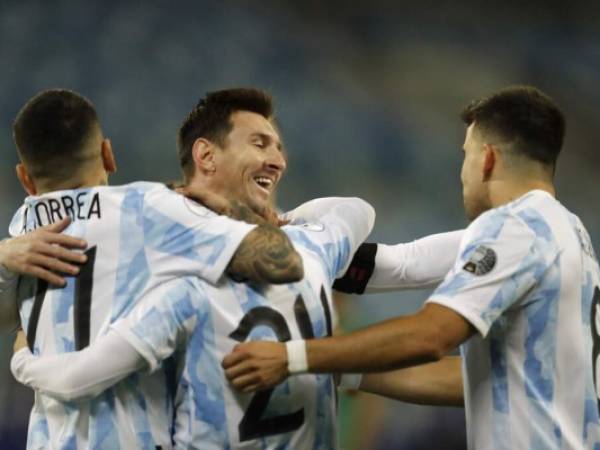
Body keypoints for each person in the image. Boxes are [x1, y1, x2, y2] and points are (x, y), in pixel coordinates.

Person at [222, 85, 600, 449]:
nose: (463, 173)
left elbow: (431, 336)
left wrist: (294, 357)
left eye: (465, 154)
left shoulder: (517, 228)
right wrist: (294, 239)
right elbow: (403, 266)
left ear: (486, 158)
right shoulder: (565, 235)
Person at [3, 87, 303, 450]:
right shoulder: (147, 208)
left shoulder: (22, 230)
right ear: (108, 155)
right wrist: (220, 207)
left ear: (24, 177)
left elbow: (7, 322)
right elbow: (283, 262)